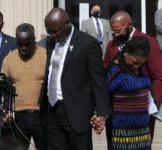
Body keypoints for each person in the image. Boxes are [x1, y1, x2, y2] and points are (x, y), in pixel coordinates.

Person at [39, 8, 111, 150]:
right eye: (49, 32)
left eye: (55, 31)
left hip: (76, 111)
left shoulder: (88, 44)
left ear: (67, 23)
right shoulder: (50, 42)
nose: (52, 35)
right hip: (52, 110)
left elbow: (98, 81)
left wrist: (102, 113)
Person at [104, 11, 162, 138]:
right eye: (113, 31)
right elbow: (105, 72)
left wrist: (152, 107)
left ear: (129, 25)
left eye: (119, 30)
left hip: (142, 111)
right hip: (117, 114)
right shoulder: (112, 45)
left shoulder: (149, 42)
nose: (116, 34)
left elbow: (159, 78)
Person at [1, 23, 46, 150]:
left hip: (41, 116)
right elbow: (4, 89)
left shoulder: (46, 56)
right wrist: (5, 111)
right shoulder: (9, 59)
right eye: (20, 44)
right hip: (18, 119)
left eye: (27, 44)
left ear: (34, 40)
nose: (24, 48)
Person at [104, 37, 152, 150]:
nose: (137, 66)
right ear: (126, 52)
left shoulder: (139, 68)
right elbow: (103, 96)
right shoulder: (114, 71)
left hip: (142, 131)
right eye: (135, 62)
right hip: (121, 132)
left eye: (141, 63)